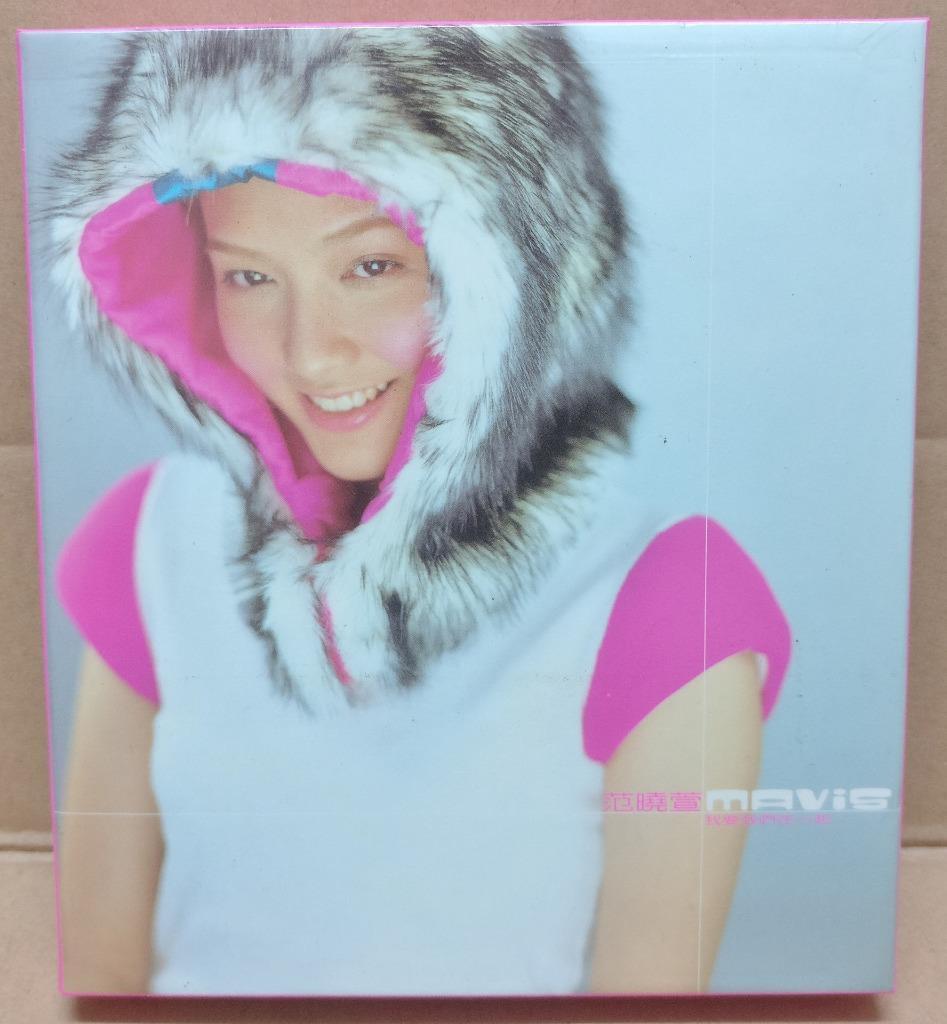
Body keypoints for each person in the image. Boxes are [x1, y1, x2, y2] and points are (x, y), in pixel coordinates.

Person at [45, 25, 791, 996]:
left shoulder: (666, 598)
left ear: (516, 278)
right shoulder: (152, 538)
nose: (311, 353)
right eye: (249, 277)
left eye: (372, 267)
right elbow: (101, 978)